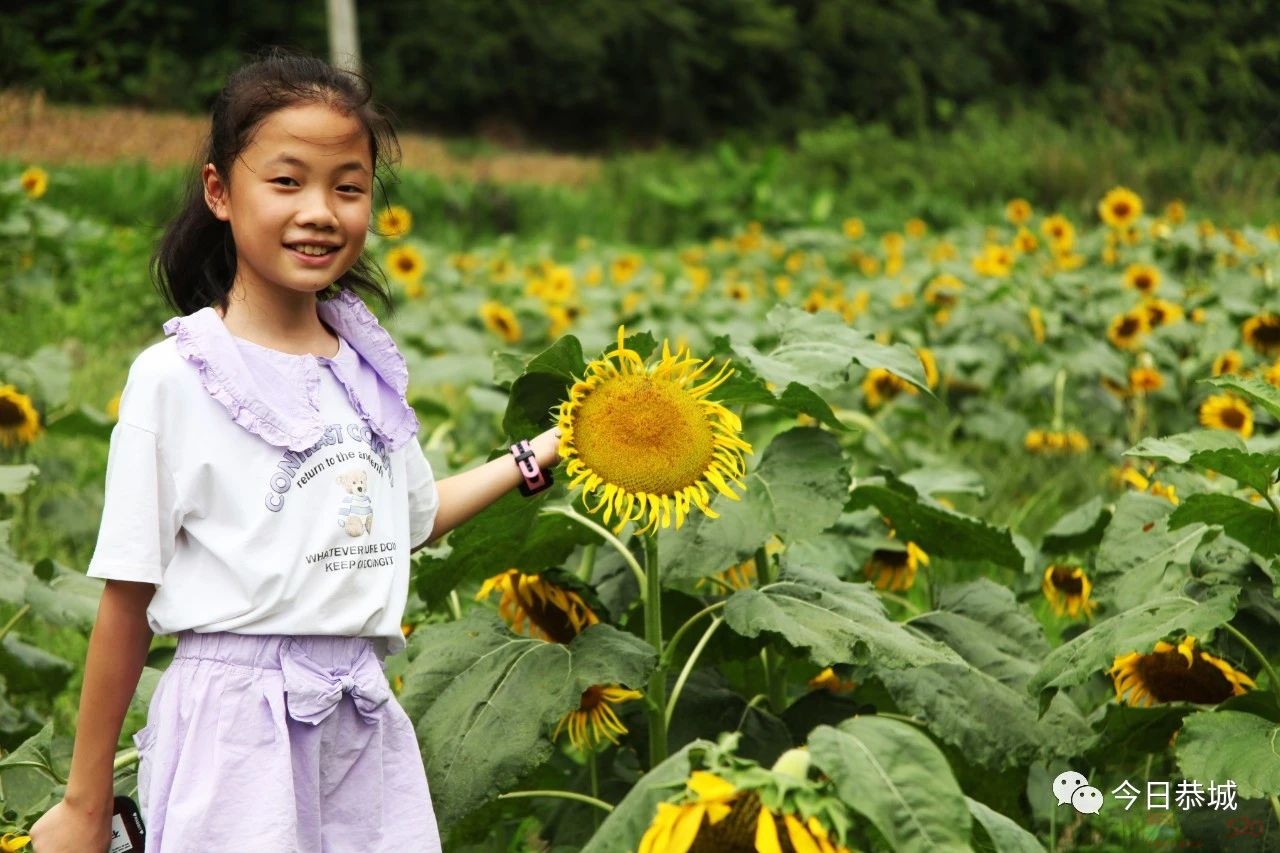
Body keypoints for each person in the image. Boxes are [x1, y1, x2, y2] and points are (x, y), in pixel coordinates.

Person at [29, 48, 560, 852]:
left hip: (361, 717)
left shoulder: (365, 366)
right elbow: (127, 598)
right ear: (219, 192)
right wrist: (83, 798)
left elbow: (412, 516)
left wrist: (541, 453)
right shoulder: (175, 377)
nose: (320, 210)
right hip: (237, 729)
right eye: (287, 182)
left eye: (348, 187)